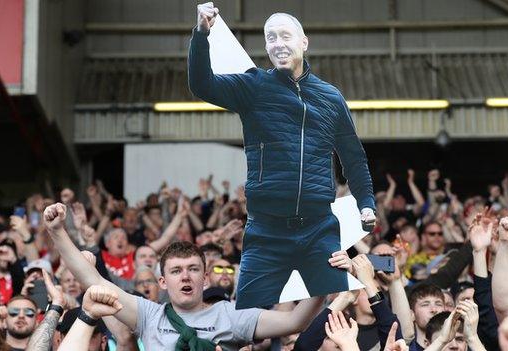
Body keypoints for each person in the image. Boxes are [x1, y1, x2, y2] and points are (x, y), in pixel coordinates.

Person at [189, 2, 376, 309]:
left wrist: (366, 203)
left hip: (319, 228)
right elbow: (201, 84)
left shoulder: (331, 97)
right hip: (266, 229)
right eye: (271, 38)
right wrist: (201, 34)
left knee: (336, 311)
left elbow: (353, 157)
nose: (278, 44)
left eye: (285, 36)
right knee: (247, 322)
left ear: (304, 42)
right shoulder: (253, 85)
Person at [45, 202, 326, 350]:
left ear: (205, 278)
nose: (186, 277)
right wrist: (58, 231)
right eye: (176, 271)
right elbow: (92, 280)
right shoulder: (149, 315)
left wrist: (325, 280)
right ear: (163, 282)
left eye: (193, 270)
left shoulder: (231, 315)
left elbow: (295, 321)